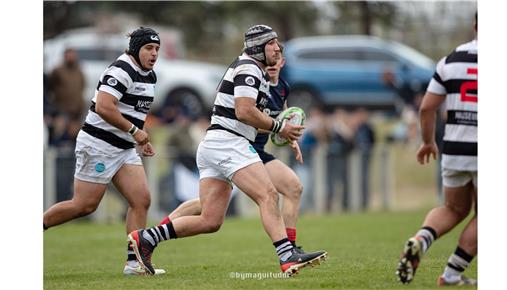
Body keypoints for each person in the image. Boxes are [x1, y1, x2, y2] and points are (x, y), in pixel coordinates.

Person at [128, 24, 327, 276]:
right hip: (229, 143)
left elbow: (254, 114)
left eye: (277, 43)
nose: (277, 48)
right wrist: (279, 128)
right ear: (257, 48)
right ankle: (287, 255)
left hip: (216, 144)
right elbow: (244, 111)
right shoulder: (249, 68)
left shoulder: (256, 70)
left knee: (210, 221)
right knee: (268, 195)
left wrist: (283, 130)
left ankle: (146, 237)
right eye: (271, 44)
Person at [154, 45, 311, 253]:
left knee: (293, 187)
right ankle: (155, 234)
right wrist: (276, 126)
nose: (273, 62)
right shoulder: (252, 81)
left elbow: (283, 116)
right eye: (272, 55)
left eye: (278, 57)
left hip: (257, 152)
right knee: (208, 206)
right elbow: (245, 115)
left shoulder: (282, 88)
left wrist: (290, 138)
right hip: (237, 149)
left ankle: (290, 247)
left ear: (281, 62)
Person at [43, 27, 166, 276]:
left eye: (157, 49)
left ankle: (134, 264)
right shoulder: (122, 70)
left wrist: (140, 138)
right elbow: (103, 107)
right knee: (85, 205)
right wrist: (135, 131)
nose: (154, 54)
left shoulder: (149, 75)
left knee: (141, 200)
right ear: (135, 49)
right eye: (148, 48)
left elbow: (134, 112)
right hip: (98, 145)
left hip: (123, 148)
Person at [396, 13, 478, 286]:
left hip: (454, 150)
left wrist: (428, 141)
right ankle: (452, 273)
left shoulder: (450, 61)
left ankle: (421, 239)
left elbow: (427, 107)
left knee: (453, 209)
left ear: (475, 26)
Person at [49, 48, 86, 122]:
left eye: (73, 55)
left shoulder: (79, 70)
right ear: (65, 56)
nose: (71, 57)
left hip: (77, 109)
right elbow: (51, 86)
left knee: (74, 131)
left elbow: (82, 85)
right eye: (69, 55)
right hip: (61, 109)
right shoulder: (57, 71)